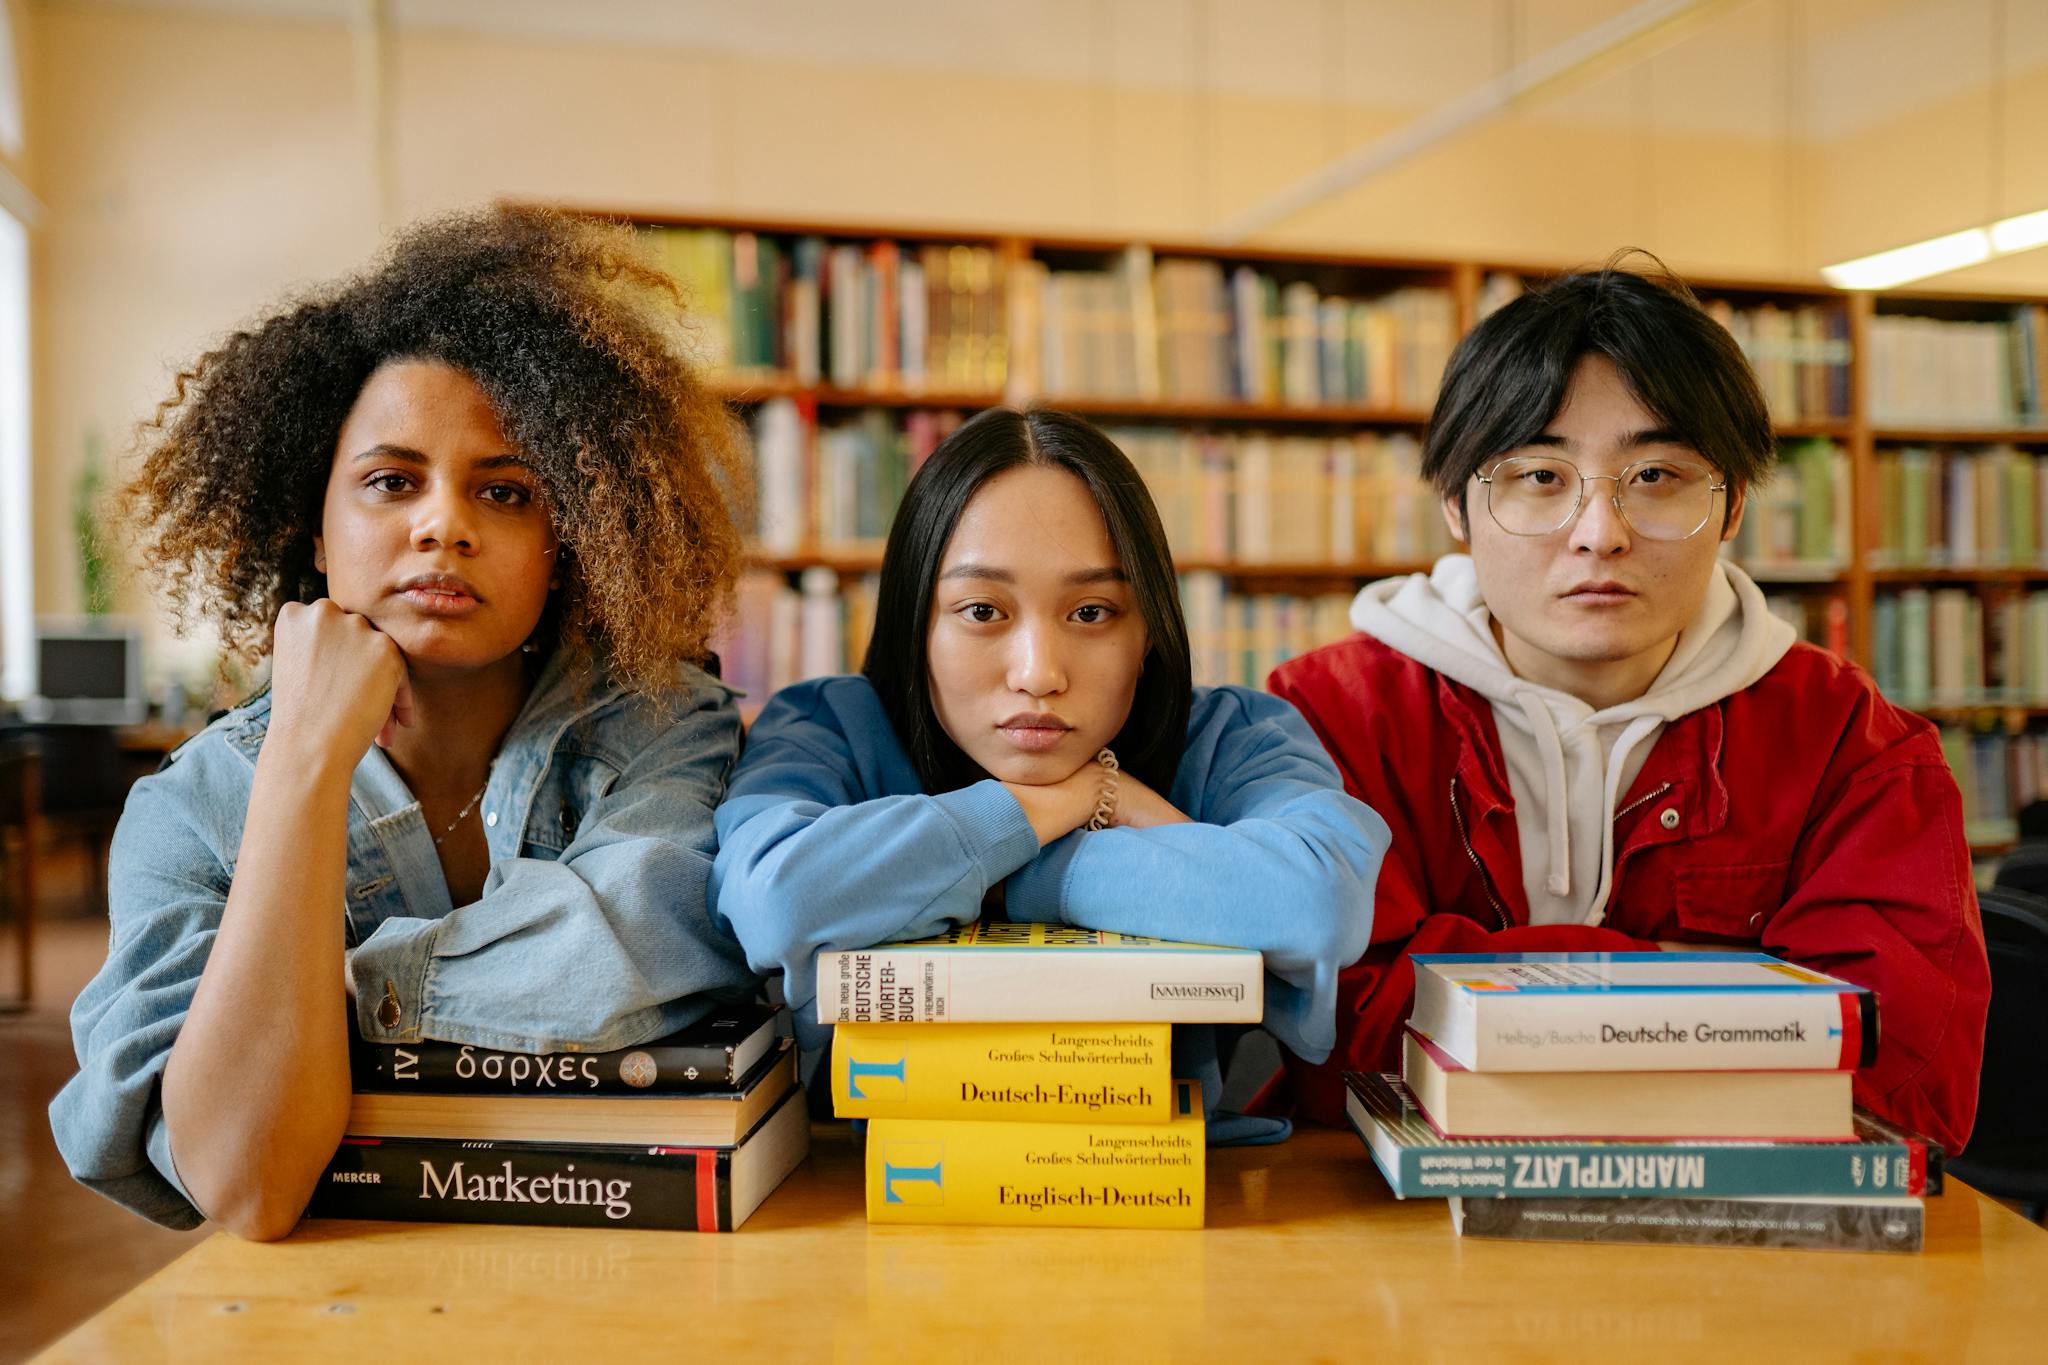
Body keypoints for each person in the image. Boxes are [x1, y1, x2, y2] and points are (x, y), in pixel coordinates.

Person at [50, 207, 760, 1238]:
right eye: (390, 482)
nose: (442, 524)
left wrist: (329, 998)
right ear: (315, 527)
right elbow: (244, 1186)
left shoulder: (667, 727)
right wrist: (301, 759)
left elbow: (638, 940)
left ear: (569, 538)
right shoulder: (196, 808)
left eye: (506, 492)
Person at [1265, 261, 1990, 1155]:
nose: (1599, 529)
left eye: (1655, 475)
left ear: (1732, 505)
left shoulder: (1853, 745)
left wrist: (1479, 997)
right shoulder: (1323, 718)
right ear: (1457, 504)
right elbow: (1324, 1040)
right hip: (1387, 1247)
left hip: (1759, 1259)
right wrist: (1718, 996)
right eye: (1538, 475)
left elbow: (1895, 1085)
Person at [711, 407, 1387, 1139]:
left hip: (1168, 1189)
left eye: (1092, 611)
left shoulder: (1232, 738)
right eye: (982, 610)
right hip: (863, 1200)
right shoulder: (828, 727)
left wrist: (1010, 876)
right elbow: (776, 897)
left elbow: (1320, 899)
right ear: (915, 621)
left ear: (1149, 629)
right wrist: (1071, 801)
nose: (1039, 673)